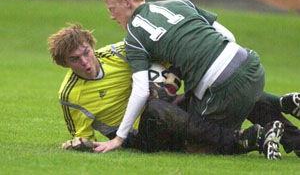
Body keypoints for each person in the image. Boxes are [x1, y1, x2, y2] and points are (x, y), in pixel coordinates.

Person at [99, 0, 300, 158]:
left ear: (127, 3)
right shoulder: (178, 3)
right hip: (248, 61)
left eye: (111, 9)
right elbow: (229, 36)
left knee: (199, 142)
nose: (111, 16)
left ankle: (259, 136)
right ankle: (285, 112)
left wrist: (119, 138)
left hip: (220, 83)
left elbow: (141, 90)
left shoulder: (134, 36)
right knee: (241, 98)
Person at [48, 23, 300, 159]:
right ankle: (247, 137)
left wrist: (167, 83)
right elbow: (82, 139)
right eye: (74, 59)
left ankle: (293, 140)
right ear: (64, 64)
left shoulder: (118, 53)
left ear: (91, 45)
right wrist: (80, 145)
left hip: (168, 106)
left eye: (85, 52)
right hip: (141, 135)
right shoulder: (70, 96)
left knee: (230, 91)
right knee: (156, 108)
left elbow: (170, 60)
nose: (85, 62)